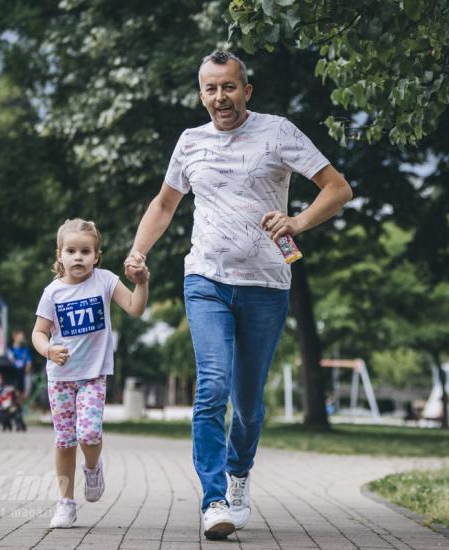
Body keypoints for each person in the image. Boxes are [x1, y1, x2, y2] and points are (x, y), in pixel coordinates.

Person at [124, 50, 352, 539]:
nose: (220, 97)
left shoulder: (279, 132)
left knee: (248, 404)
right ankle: (213, 501)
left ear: (246, 91)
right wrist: (138, 251)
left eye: (229, 87)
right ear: (201, 93)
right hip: (205, 280)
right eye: (211, 88)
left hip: (267, 285)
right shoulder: (190, 142)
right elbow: (165, 204)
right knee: (211, 388)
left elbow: (337, 188)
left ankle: (239, 472)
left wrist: (298, 221)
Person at [31, 218, 149, 529]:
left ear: (96, 255)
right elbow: (38, 333)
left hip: (93, 376)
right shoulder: (52, 293)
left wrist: (142, 282)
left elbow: (136, 308)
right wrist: (48, 350)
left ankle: (93, 467)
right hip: (60, 378)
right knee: (65, 441)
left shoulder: (105, 281)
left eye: (85, 251)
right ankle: (66, 504)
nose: (78, 257)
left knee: (89, 433)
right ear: (60, 255)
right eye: (71, 251)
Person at [9, 330, 33, 398]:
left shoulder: (25, 350)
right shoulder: (10, 350)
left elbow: (29, 362)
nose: (22, 338)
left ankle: (24, 396)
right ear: (14, 336)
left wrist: (26, 370)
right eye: (20, 336)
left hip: (23, 373)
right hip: (13, 373)